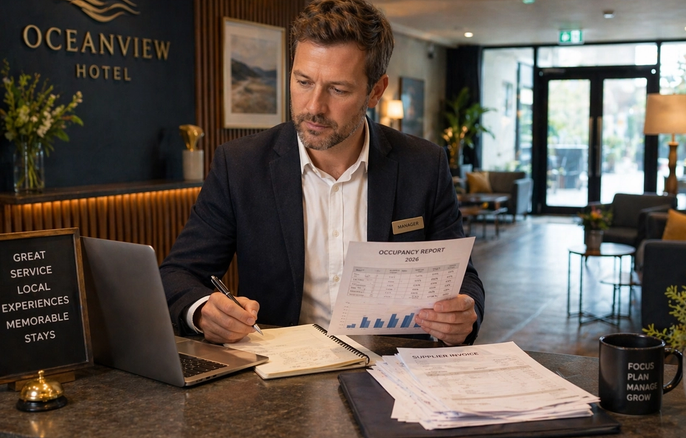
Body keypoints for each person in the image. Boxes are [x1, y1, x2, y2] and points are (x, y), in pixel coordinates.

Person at [160, 0, 485, 346]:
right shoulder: (239, 165)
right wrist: (202, 310)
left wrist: (465, 311)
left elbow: (463, 277)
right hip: (279, 377)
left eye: (338, 89)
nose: (314, 106)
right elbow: (178, 275)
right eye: (303, 82)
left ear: (375, 91)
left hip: (391, 372)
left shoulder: (424, 165)